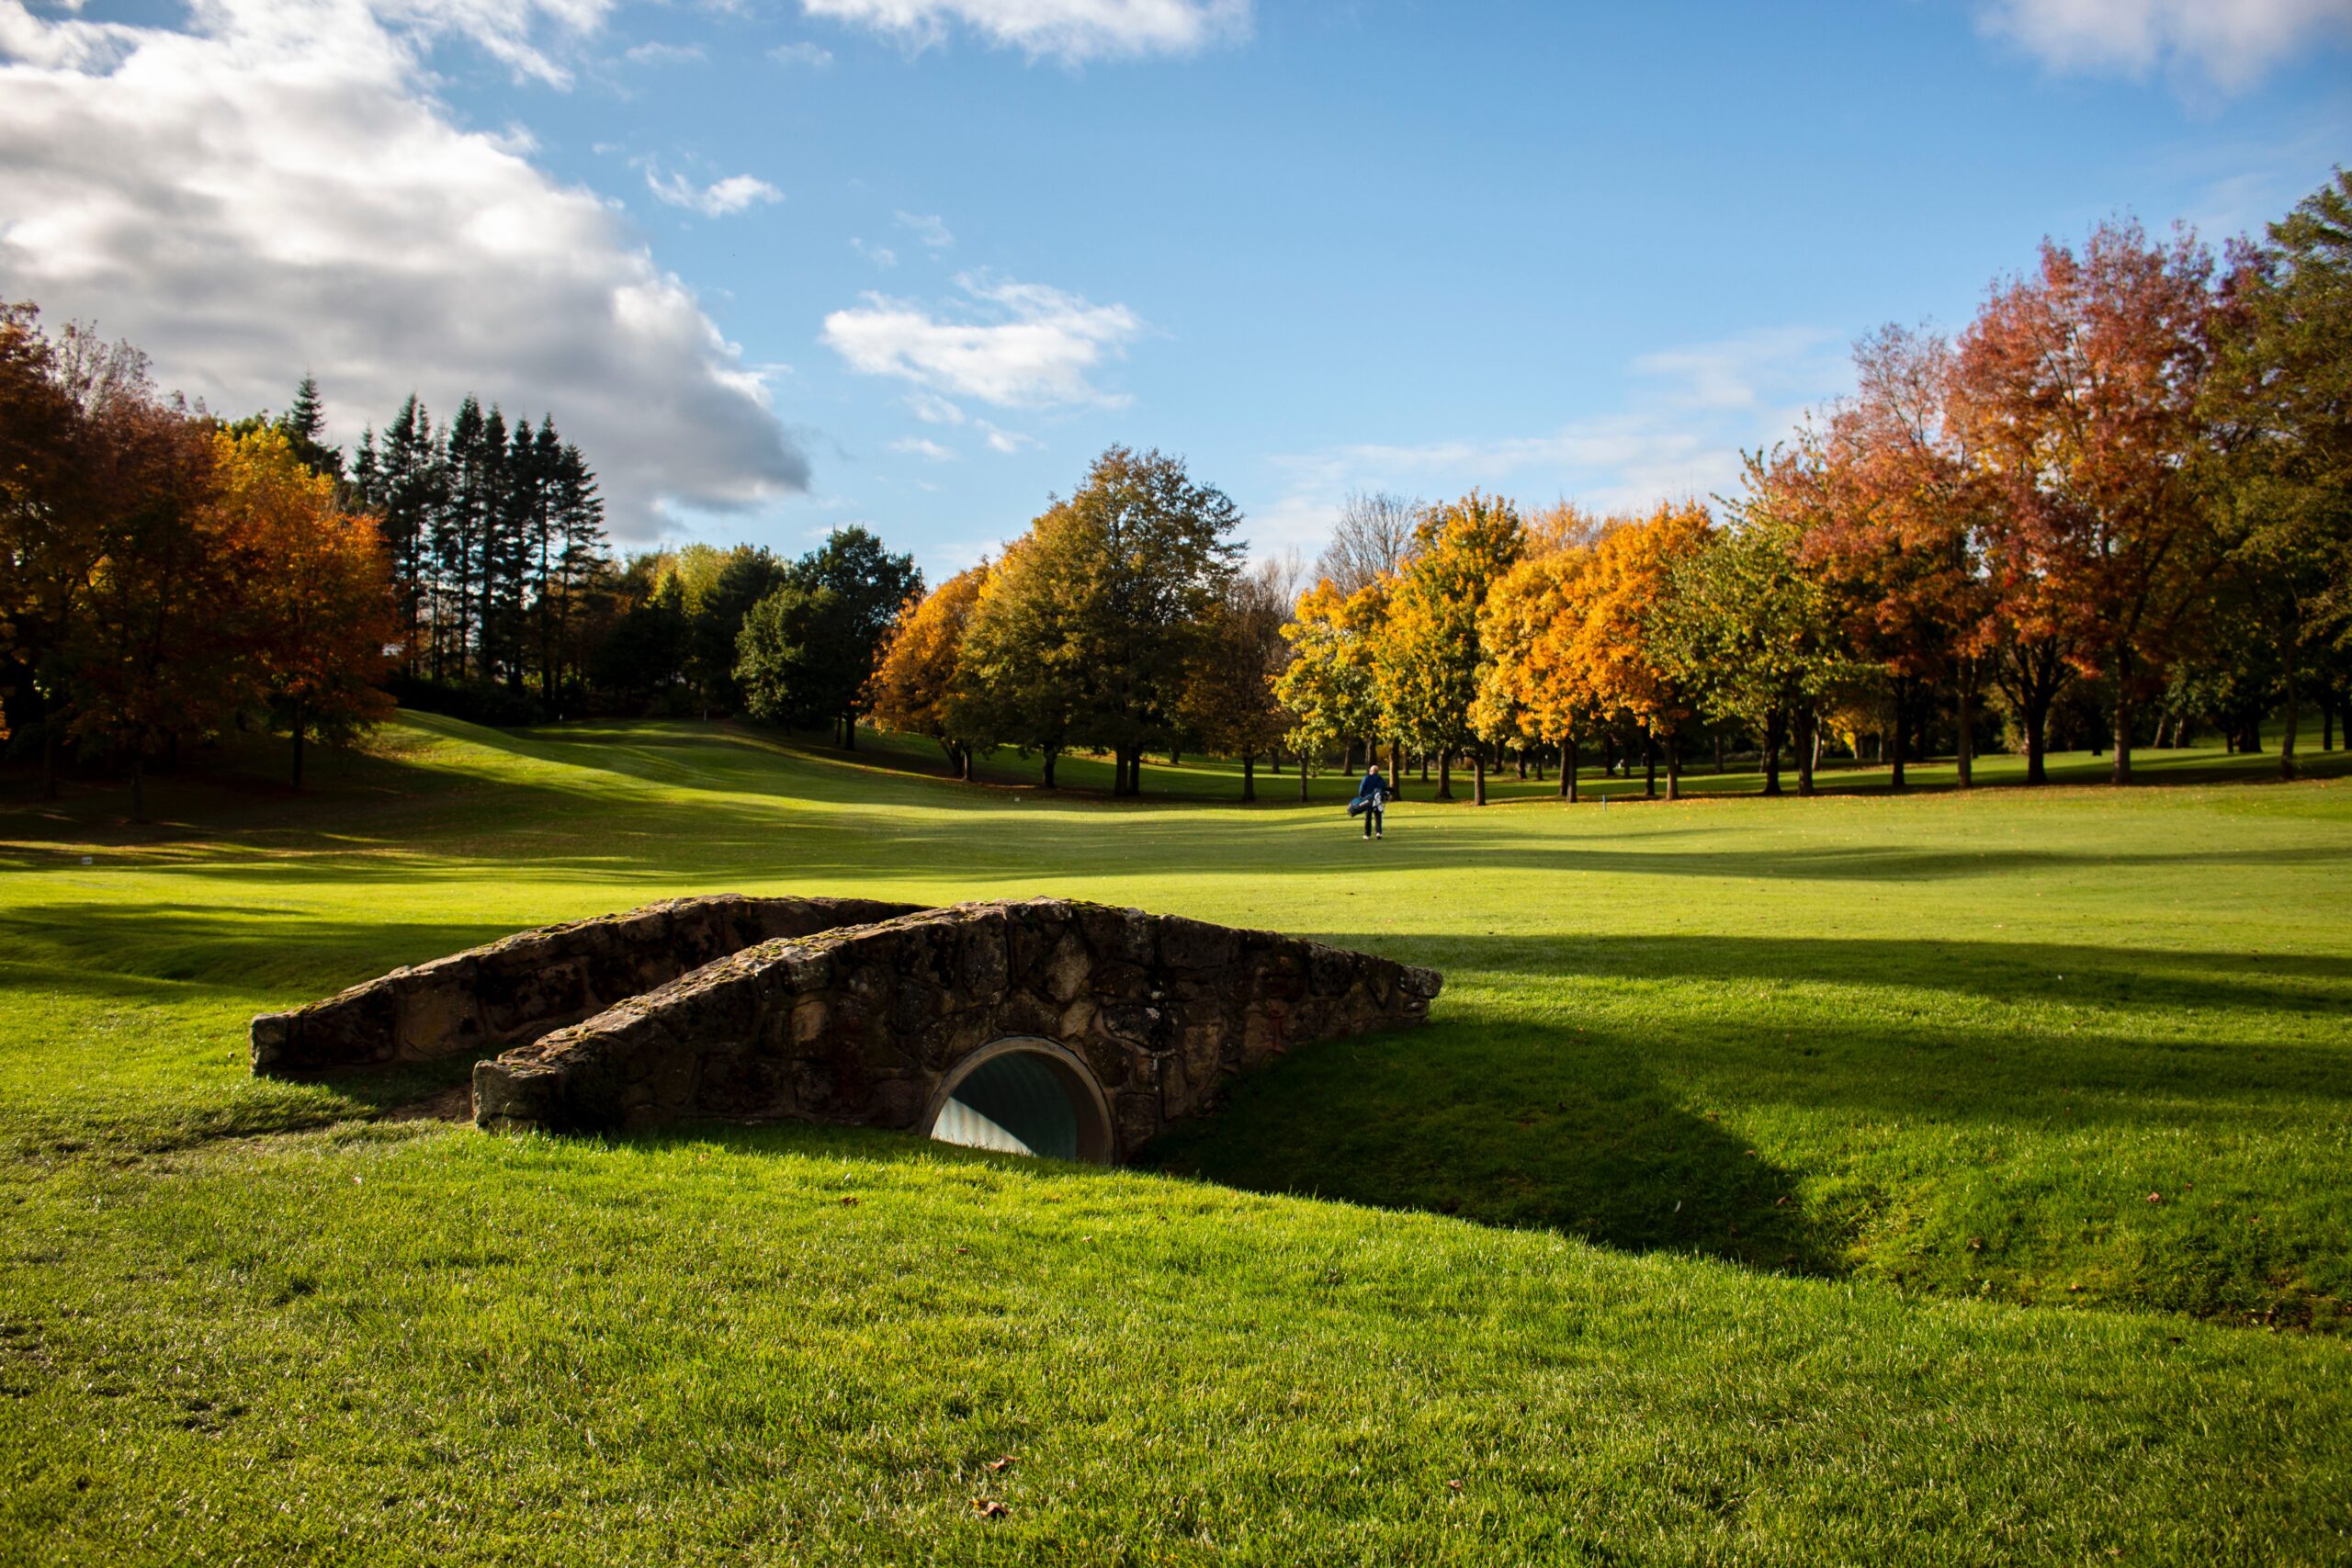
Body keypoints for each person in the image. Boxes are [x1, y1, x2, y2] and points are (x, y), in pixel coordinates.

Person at [1348, 761, 1393, 840]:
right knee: (1378, 817)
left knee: (1368, 817)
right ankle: (1378, 833)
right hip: (1378, 801)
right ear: (1377, 772)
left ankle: (1367, 834)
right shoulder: (1381, 779)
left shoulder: (1366, 778)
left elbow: (1361, 791)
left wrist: (1362, 798)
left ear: (1371, 771)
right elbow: (1385, 790)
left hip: (1368, 800)